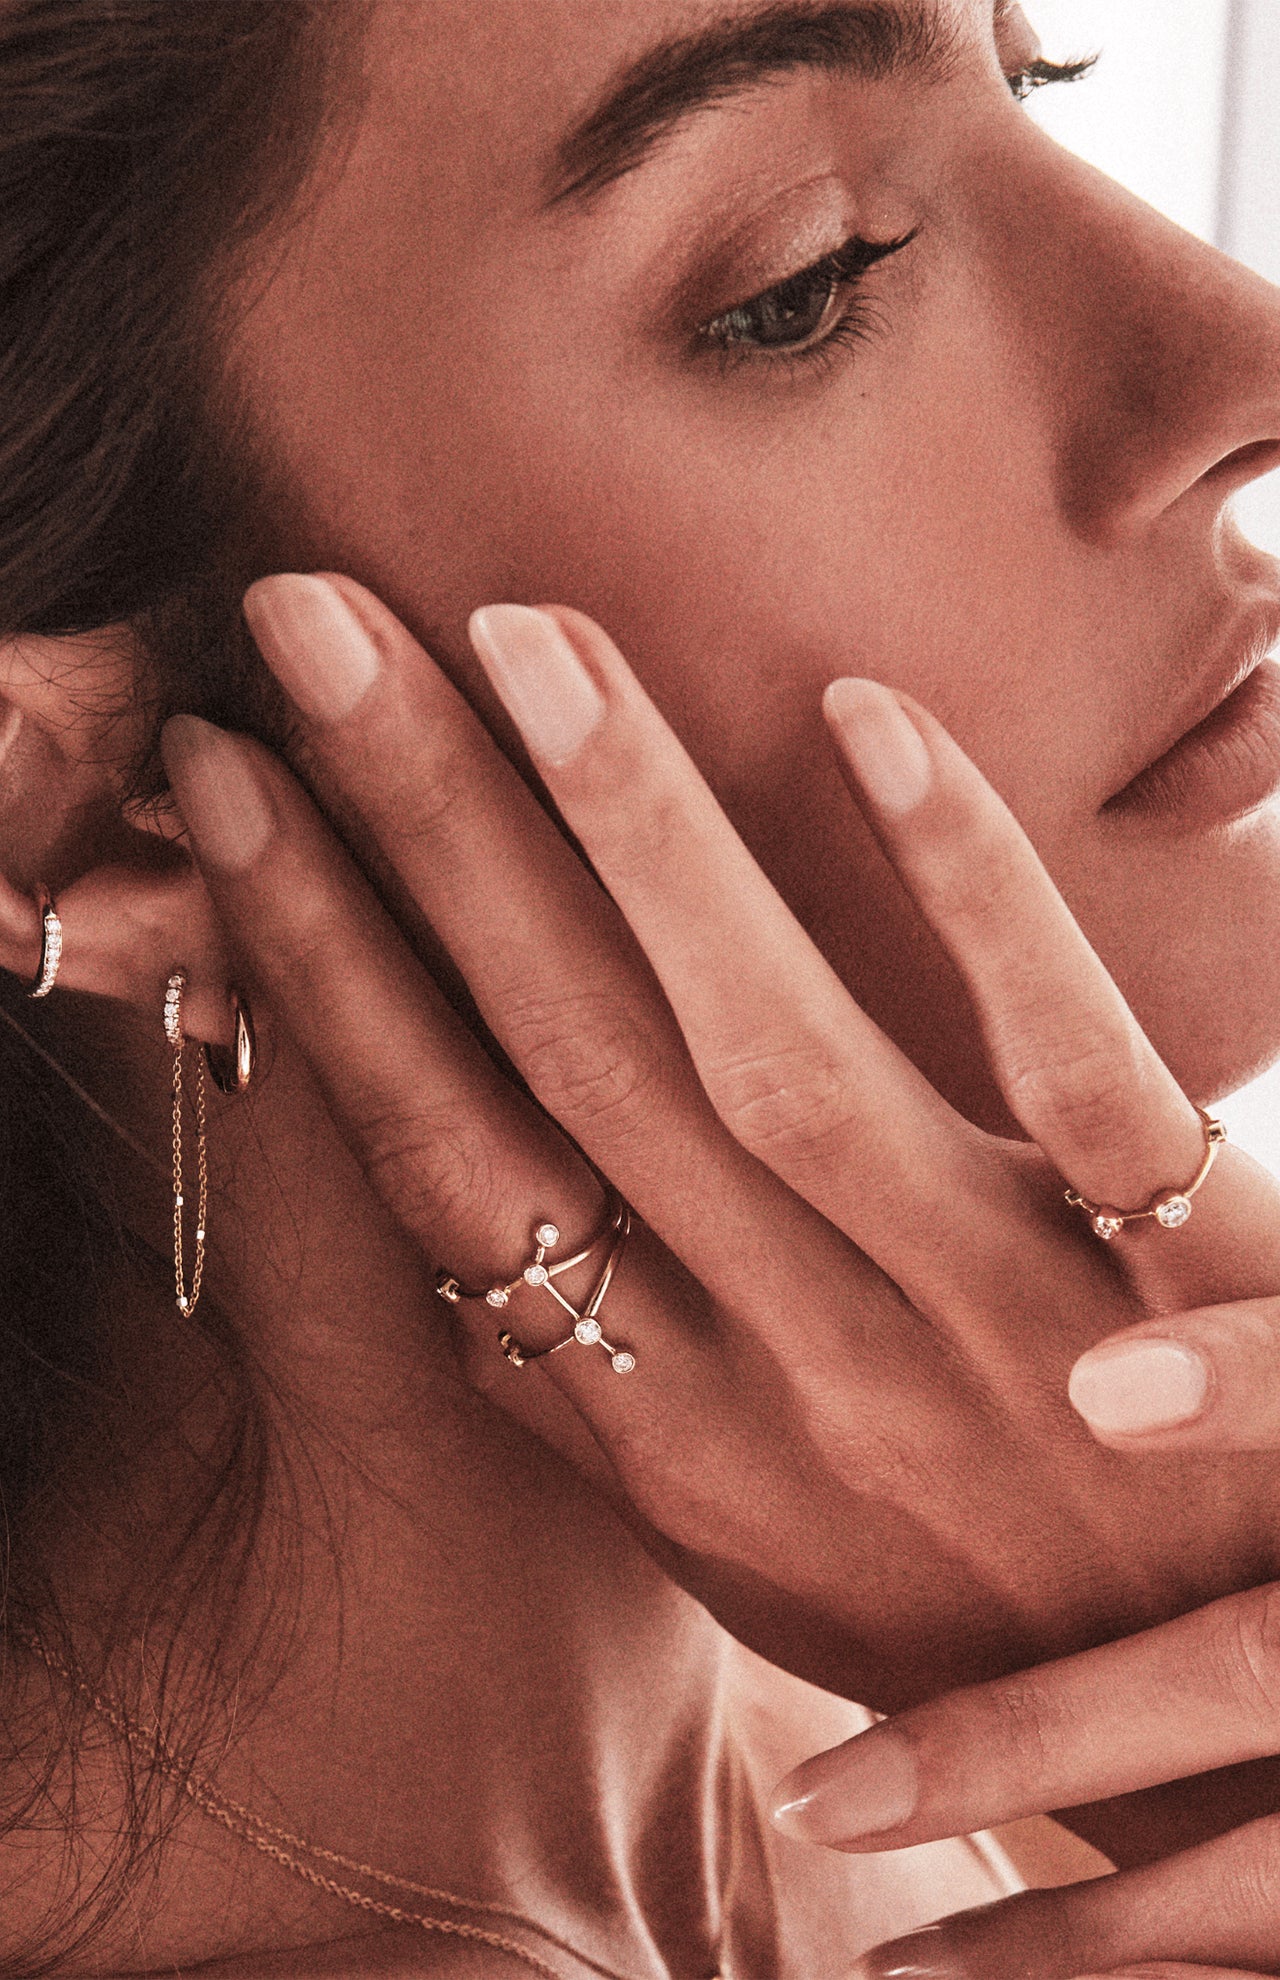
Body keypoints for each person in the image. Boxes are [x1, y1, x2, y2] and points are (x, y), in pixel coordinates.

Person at [4, 0, 1280, 1973]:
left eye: (1029, 77)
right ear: (63, 783)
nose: (1243, 348)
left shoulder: (981, 1720)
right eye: (810, 282)